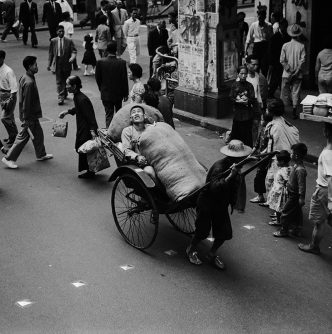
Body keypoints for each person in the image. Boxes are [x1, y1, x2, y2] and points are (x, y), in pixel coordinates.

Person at [186, 140, 250, 269]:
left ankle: (211, 253)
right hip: (207, 202)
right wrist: (230, 176)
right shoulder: (219, 166)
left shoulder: (236, 166)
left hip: (221, 204)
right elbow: (214, 188)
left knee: (224, 233)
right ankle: (190, 249)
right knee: (202, 231)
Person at [2, 56, 53, 169]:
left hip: (30, 115)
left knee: (38, 134)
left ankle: (41, 154)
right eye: (35, 64)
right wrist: (25, 119)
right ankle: (8, 158)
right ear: (30, 66)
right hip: (29, 116)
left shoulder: (25, 77)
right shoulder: (29, 82)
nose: (37, 66)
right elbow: (27, 103)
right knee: (23, 138)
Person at [298, 124, 332, 255]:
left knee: (319, 222)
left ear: (327, 132)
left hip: (324, 191)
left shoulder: (328, 153)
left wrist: (330, 201)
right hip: (326, 191)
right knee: (329, 219)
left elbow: (330, 179)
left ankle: (314, 246)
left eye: (325, 128)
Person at [59, 76, 98, 179]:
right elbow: (78, 109)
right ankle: (90, 170)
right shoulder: (77, 96)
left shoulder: (82, 99)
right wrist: (67, 112)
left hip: (86, 129)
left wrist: (92, 131)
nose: (66, 86)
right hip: (82, 127)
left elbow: (90, 117)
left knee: (83, 148)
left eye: (68, 84)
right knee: (81, 148)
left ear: (74, 86)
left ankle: (90, 171)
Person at [262, 98, 299, 207]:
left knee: (273, 183)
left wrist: (266, 156)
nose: (266, 111)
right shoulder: (282, 121)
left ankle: (276, 208)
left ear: (271, 112)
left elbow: (275, 147)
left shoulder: (275, 126)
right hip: (284, 157)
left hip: (278, 159)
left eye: (267, 109)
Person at [273, 143, 307, 237]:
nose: (291, 155)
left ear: (296, 155)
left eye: (292, 153)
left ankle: (284, 230)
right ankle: (296, 229)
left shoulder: (300, 169)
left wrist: (301, 197)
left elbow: (301, 185)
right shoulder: (296, 165)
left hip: (294, 196)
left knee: (285, 212)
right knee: (296, 213)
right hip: (292, 194)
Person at [95, 41, 128, 127]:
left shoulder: (100, 62)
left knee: (108, 115)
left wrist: (101, 88)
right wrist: (125, 93)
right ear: (116, 50)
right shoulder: (122, 62)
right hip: (118, 94)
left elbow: (98, 79)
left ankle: (108, 134)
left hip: (106, 93)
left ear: (107, 50)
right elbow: (124, 79)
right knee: (118, 115)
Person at [121, 105, 156, 180]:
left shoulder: (151, 128)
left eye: (139, 112)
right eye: (133, 112)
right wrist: (137, 157)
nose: (136, 114)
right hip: (137, 164)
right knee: (150, 171)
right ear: (131, 118)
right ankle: (158, 191)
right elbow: (126, 150)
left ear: (145, 116)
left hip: (154, 160)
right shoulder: (127, 131)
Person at [280, 23, 306, 120]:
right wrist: (296, 71)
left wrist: (289, 70)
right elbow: (302, 60)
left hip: (286, 74)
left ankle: (282, 110)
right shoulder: (302, 46)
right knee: (296, 91)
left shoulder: (285, 45)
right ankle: (294, 110)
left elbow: (282, 60)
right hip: (298, 75)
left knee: (284, 92)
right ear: (298, 34)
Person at [48, 25, 77, 105]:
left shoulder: (69, 40)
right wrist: (49, 64)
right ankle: (60, 97)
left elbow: (74, 51)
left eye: (62, 31)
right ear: (57, 32)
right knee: (59, 81)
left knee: (66, 80)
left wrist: (72, 57)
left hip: (66, 63)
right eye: (59, 31)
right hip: (57, 63)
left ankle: (64, 93)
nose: (61, 33)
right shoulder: (53, 41)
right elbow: (51, 54)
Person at [229, 65, 255, 147]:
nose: (243, 75)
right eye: (241, 73)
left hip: (247, 114)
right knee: (236, 134)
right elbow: (231, 97)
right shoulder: (234, 85)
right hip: (237, 114)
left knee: (246, 135)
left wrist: (247, 101)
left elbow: (252, 98)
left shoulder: (250, 86)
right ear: (238, 74)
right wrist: (237, 101)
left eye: (245, 74)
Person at [249, 110, 272, 204]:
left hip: (266, 158)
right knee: (260, 176)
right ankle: (261, 196)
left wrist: (262, 154)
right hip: (261, 157)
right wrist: (252, 152)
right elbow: (258, 141)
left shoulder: (270, 131)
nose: (261, 121)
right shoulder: (262, 128)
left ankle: (263, 197)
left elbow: (270, 146)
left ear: (267, 121)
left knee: (261, 177)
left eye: (262, 120)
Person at [245, 5, 273, 76]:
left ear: (265, 17)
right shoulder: (253, 25)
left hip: (265, 47)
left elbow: (271, 39)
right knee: (255, 66)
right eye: (259, 17)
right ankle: (255, 82)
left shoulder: (269, 25)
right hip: (257, 47)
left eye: (262, 17)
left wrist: (270, 50)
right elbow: (249, 38)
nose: (260, 18)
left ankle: (263, 83)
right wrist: (245, 51)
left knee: (264, 67)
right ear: (257, 17)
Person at [266, 150, 291, 226]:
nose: (276, 162)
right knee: (279, 206)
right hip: (278, 190)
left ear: (282, 162)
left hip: (279, 191)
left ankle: (278, 220)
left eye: (277, 161)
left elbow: (287, 180)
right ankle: (278, 218)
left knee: (278, 207)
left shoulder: (284, 170)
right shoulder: (289, 168)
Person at [267, 18, 290, 98]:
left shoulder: (288, 37)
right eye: (283, 26)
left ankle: (282, 96)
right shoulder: (274, 37)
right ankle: (270, 95)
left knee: (281, 80)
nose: (285, 28)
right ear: (280, 26)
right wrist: (271, 63)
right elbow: (271, 51)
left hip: (284, 62)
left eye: (286, 26)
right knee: (275, 80)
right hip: (276, 61)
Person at [0, 50, 18, 148]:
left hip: (9, 96)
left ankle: (14, 137)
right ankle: (13, 136)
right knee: (10, 117)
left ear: (2, 58)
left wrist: (9, 101)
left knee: (4, 118)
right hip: (2, 95)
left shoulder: (8, 71)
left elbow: (14, 89)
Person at [245, 55, 263, 144]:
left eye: (257, 64)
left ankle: (254, 145)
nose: (256, 66)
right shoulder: (243, 76)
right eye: (253, 64)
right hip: (246, 104)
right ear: (247, 64)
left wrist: (260, 103)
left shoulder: (257, 75)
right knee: (247, 126)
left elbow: (258, 90)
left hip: (255, 104)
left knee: (256, 125)